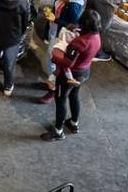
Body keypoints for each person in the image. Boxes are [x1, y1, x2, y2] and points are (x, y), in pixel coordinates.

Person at [40, 9, 102, 140]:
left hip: (70, 75)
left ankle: (58, 131)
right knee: (74, 96)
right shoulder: (96, 37)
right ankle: (74, 123)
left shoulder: (80, 42)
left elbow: (67, 63)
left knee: (61, 100)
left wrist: (55, 55)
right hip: (84, 72)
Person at [32, 0, 87, 103]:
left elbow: (73, 26)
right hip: (54, 30)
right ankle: (50, 82)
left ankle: (53, 90)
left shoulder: (74, 5)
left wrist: (55, 19)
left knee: (56, 62)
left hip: (62, 36)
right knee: (50, 57)